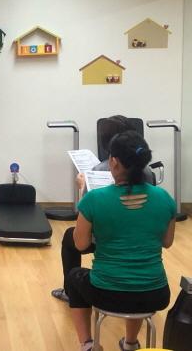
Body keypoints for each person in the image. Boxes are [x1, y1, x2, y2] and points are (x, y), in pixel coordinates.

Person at [65, 131, 176, 351]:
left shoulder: (94, 199)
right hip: (156, 294)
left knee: (74, 277)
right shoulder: (165, 198)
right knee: (136, 290)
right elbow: (167, 242)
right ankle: (130, 343)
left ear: (113, 162)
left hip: (107, 293)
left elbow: (80, 244)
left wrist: (82, 192)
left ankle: (87, 344)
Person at [51, 115, 155, 303]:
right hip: (144, 250)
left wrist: (83, 187)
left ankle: (70, 291)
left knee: (71, 237)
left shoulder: (99, 170)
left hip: (107, 240)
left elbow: (88, 216)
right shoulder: (148, 173)